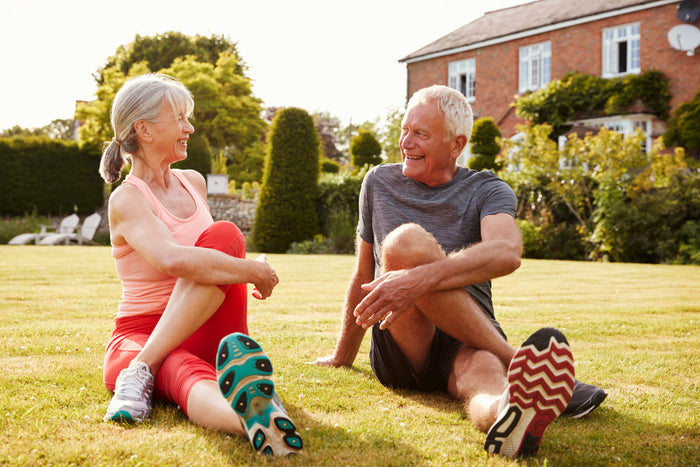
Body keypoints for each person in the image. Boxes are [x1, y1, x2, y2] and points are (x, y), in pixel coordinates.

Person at [314, 85, 606, 458]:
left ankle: (509, 415)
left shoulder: (487, 189)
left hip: (469, 339)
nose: (406, 142)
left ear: (456, 144)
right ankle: (512, 355)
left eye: (421, 134)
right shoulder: (378, 182)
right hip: (402, 341)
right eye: (405, 130)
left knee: (487, 380)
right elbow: (362, 275)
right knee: (406, 243)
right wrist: (342, 355)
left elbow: (507, 252)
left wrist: (418, 280)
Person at [99, 73, 302, 456]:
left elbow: (209, 257)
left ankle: (142, 371)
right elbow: (172, 259)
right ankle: (255, 421)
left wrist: (239, 265)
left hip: (207, 326)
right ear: (143, 129)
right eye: (179, 118)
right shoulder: (127, 200)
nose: (189, 128)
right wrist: (252, 270)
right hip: (141, 334)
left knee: (225, 235)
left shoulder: (194, 182)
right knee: (178, 368)